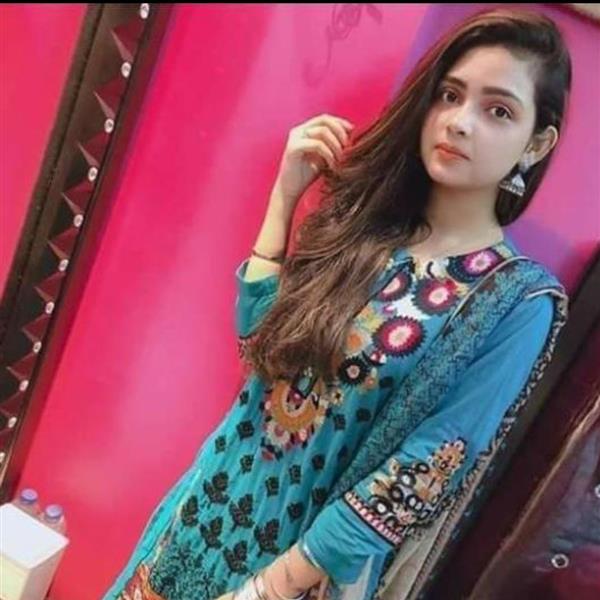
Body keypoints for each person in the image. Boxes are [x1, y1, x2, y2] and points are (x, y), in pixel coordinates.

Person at [101, 7, 572, 600]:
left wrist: (263, 591)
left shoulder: (513, 303)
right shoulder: (366, 228)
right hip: (196, 522)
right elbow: (259, 345)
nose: (459, 122)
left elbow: (415, 477)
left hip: (297, 577)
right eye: (450, 95)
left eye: (498, 110)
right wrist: (284, 196)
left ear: (537, 142)